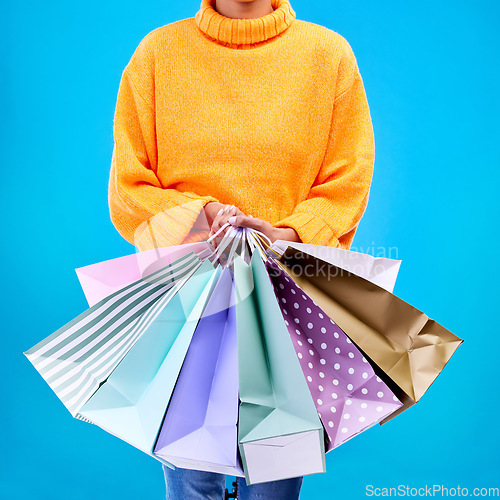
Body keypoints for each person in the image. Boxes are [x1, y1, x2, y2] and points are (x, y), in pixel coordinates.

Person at [107, 0, 375, 497]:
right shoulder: (158, 55)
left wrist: (283, 235)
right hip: (188, 299)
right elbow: (129, 187)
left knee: (274, 480)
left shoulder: (327, 55)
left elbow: (348, 183)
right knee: (192, 483)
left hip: (287, 299)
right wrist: (205, 215)